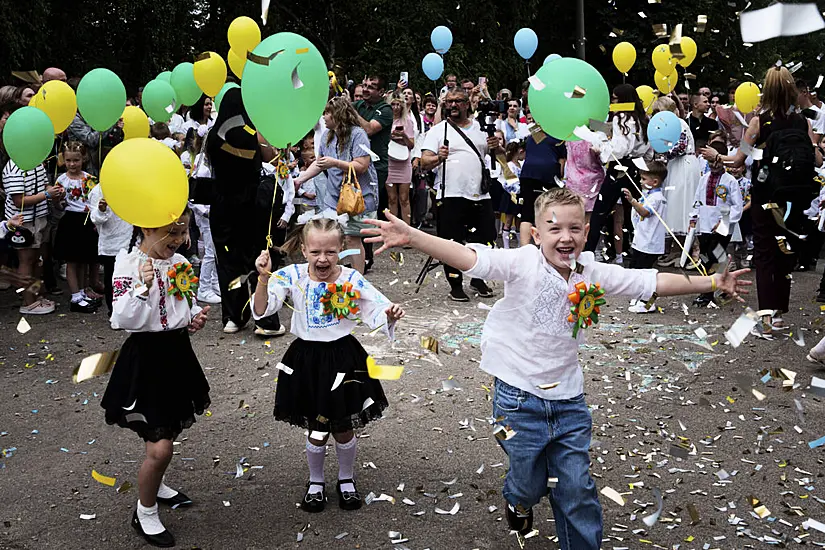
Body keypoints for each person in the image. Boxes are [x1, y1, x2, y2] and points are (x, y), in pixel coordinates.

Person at [361, 187, 751, 550]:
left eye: (575, 228)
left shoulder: (591, 272)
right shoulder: (522, 263)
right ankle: (518, 500)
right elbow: (472, 258)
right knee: (528, 483)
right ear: (535, 233)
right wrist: (414, 236)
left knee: (576, 487)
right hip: (516, 400)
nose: (566, 237)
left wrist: (712, 281)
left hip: (569, 401)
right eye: (555, 228)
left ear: (586, 232)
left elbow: (648, 281)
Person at [252, 217, 404, 513]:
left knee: (344, 425)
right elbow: (261, 310)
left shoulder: (350, 279)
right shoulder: (291, 275)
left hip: (343, 358)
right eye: (315, 252)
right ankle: (316, 482)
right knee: (317, 427)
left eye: (330, 252)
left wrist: (390, 314)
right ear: (304, 249)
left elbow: (375, 308)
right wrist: (263, 278)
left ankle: (346, 479)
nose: (323, 259)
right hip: (306, 361)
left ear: (341, 248)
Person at [101, 206, 210, 548]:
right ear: (146, 229)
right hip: (146, 360)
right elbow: (121, 319)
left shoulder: (179, 265)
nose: (179, 240)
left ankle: (157, 485)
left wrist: (192, 317)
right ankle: (144, 511)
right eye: (171, 232)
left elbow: (181, 304)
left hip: (177, 357)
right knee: (160, 448)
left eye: (182, 231)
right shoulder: (128, 264)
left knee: (167, 431)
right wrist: (142, 288)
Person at [700, 66, 821, 334]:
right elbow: (817, 160)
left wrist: (716, 157)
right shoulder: (803, 122)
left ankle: (767, 320)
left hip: (766, 198)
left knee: (765, 256)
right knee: (784, 254)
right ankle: (779, 315)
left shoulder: (759, 122)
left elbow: (740, 159)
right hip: (795, 199)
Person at [420, 89, 500, 301]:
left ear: (467, 104)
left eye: (458, 101)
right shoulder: (438, 130)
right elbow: (423, 161)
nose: (453, 105)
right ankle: (455, 285)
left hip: (480, 195)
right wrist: (438, 157)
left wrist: (496, 147)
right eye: (449, 101)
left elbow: (498, 155)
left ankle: (478, 278)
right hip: (451, 194)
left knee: (484, 239)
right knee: (451, 242)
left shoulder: (481, 129)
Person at [294, 97, 378, 273]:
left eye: (327, 113)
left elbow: (361, 165)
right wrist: (300, 179)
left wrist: (335, 163)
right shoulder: (327, 136)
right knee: (334, 238)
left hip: (356, 198)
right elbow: (319, 163)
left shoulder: (358, 134)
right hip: (334, 198)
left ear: (338, 114)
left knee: (352, 238)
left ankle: (358, 278)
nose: (323, 117)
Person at [206, 87, 265, 334]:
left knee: (227, 260)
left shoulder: (213, 136)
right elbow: (260, 163)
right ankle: (263, 315)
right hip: (249, 203)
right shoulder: (249, 132)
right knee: (255, 257)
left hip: (222, 204)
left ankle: (233, 316)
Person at [587, 84, 652, 257]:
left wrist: (601, 149)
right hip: (637, 167)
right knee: (634, 212)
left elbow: (620, 148)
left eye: (615, 98)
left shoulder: (621, 118)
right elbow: (648, 149)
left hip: (620, 166)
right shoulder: (643, 119)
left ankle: (588, 252)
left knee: (600, 211)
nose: (612, 101)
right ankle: (638, 252)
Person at [3, 157, 64, 314]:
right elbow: (19, 201)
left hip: (39, 218)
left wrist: (55, 191)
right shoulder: (14, 169)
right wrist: (47, 194)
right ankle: (28, 302)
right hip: (22, 222)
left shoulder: (35, 162)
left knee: (37, 259)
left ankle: (35, 295)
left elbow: (45, 184)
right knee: (26, 260)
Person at [690, 141, 744, 306]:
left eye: (716, 161)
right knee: (707, 257)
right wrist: (693, 218)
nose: (713, 165)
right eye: (710, 162)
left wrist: (724, 222)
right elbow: (697, 200)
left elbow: (737, 206)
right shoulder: (704, 179)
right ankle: (718, 286)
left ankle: (707, 293)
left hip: (723, 227)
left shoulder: (730, 181)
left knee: (714, 258)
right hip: (705, 224)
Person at [652, 96, 701, 267]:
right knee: (674, 206)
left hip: (684, 166)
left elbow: (680, 147)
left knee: (685, 205)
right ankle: (678, 249)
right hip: (675, 167)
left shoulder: (679, 123)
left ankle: (695, 250)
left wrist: (661, 154)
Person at [53, 142, 101, 313]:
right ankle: (75, 296)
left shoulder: (89, 179)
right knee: (72, 261)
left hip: (86, 220)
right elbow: (59, 206)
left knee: (83, 260)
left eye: (76, 160)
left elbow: (94, 201)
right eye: (68, 160)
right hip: (70, 221)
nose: (72, 164)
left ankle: (82, 292)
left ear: (83, 159)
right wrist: (58, 201)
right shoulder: (61, 180)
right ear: (63, 160)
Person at [622, 161, 668, 313]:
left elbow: (645, 212)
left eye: (643, 179)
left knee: (646, 273)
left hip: (650, 243)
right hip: (641, 240)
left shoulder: (657, 198)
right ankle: (639, 295)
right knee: (636, 270)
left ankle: (648, 302)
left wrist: (632, 201)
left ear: (654, 181)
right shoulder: (648, 195)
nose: (640, 182)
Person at [181, 128, 220, 305]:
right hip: (206, 215)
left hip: (212, 213)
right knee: (210, 252)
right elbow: (193, 198)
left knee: (216, 251)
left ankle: (213, 283)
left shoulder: (207, 162)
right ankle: (204, 288)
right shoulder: (202, 167)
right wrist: (206, 212)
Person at [88, 181, 132, 316]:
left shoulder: (133, 184)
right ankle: (114, 312)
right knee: (113, 279)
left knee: (131, 278)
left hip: (132, 239)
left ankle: (130, 311)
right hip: (112, 243)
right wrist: (102, 210)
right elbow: (94, 218)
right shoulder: (99, 190)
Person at [354, 75, 393, 215]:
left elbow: (369, 129)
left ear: (381, 92)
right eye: (364, 86)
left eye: (370, 87)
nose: (365, 89)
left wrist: (350, 111)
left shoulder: (386, 109)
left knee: (370, 208)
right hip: (356, 163)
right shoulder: (358, 105)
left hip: (376, 167)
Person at [386, 92, 415, 225]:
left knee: (404, 198)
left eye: (398, 104)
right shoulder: (385, 119)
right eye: (393, 104)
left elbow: (411, 144)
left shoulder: (407, 120)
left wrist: (403, 136)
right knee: (392, 198)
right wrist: (390, 135)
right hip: (389, 161)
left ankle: (407, 229)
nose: (396, 107)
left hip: (404, 162)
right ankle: (393, 229)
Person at [564, 139, 604, 224]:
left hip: (573, 181)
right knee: (589, 218)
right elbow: (602, 160)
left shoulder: (570, 140)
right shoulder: (593, 139)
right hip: (592, 182)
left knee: (574, 215)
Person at [497, 141, 523, 249]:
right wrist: (517, 190)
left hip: (519, 195)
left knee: (518, 220)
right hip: (511, 195)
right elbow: (507, 183)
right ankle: (506, 246)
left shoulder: (520, 164)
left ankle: (519, 244)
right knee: (508, 220)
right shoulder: (509, 165)